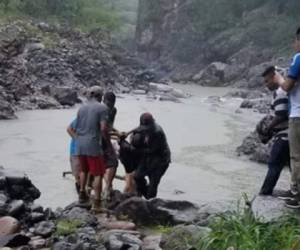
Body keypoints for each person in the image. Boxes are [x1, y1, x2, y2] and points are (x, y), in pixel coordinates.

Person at [271, 27, 300, 208]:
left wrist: (279, 79)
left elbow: (287, 87)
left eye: (296, 40)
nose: (294, 44)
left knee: (297, 157)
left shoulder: (298, 58)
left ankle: (296, 195)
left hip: (298, 115)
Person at [74, 86, 111, 212]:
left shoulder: (81, 108)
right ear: (100, 96)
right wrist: (108, 143)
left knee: (83, 170)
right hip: (93, 145)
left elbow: (76, 127)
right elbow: (103, 128)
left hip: (79, 143)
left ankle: (82, 194)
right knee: (98, 174)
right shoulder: (102, 108)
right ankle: (97, 203)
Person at [258, 66, 290, 196]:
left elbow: (281, 114)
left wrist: (268, 129)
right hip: (289, 133)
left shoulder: (280, 92)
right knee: (293, 164)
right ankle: (295, 191)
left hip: (284, 135)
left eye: (267, 81)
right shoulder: (283, 90)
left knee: (274, 164)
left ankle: (264, 194)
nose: (266, 85)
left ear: (274, 76)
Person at [132, 113, 171, 199]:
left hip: (160, 160)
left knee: (153, 186)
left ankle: (149, 199)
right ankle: (142, 192)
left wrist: (135, 150)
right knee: (137, 176)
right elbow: (135, 142)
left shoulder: (158, 132)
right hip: (146, 157)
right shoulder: (140, 130)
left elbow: (153, 150)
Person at [103, 92, 119, 197]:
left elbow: (109, 126)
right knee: (113, 162)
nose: (110, 105)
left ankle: (108, 185)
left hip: (105, 136)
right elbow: (103, 128)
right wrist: (111, 137)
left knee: (109, 163)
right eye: (109, 102)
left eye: (112, 103)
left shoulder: (113, 110)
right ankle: (108, 186)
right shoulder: (101, 110)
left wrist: (117, 132)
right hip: (101, 138)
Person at [67, 118, 80, 193]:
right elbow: (69, 129)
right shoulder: (80, 118)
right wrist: (77, 140)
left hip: (86, 151)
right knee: (77, 174)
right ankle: (81, 195)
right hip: (75, 151)